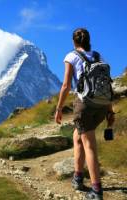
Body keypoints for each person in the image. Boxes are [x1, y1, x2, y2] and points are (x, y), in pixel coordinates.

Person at [55, 28, 115, 200]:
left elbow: (66, 85)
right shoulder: (99, 56)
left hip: (85, 105)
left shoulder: (71, 56)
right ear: (89, 40)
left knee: (89, 145)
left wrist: (59, 109)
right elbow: (106, 85)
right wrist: (110, 110)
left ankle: (96, 190)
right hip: (102, 105)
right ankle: (78, 177)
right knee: (77, 136)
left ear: (74, 42)